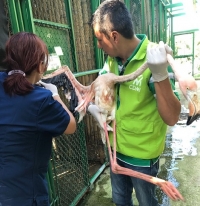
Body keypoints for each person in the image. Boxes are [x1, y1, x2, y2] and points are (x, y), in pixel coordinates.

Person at [88, 0, 181, 206]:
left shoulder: (153, 59)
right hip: (116, 149)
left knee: (147, 202)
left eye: (99, 39)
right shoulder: (112, 60)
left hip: (141, 156)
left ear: (114, 37)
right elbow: (103, 87)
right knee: (120, 200)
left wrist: (160, 76)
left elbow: (173, 117)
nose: (98, 45)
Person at [0, 32, 76, 206]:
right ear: (41, 66)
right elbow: (70, 125)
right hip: (25, 194)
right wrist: (54, 95)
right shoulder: (41, 99)